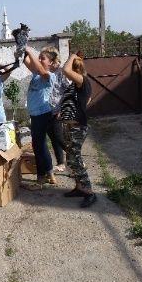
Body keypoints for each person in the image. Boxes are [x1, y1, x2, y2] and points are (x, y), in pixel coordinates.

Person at [61, 53, 96, 207]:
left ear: (75, 70)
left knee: (75, 159)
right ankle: (79, 187)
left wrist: (72, 55)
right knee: (70, 159)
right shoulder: (77, 85)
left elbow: (65, 70)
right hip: (70, 125)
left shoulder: (82, 80)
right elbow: (87, 99)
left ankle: (89, 191)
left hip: (78, 127)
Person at [22, 46, 58, 187]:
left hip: (42, 114)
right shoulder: (36, 74)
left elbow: (41, 70)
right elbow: (27, 62)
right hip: (36, 114)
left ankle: (40, 179)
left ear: (50, 63)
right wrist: (21, 50)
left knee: (38, 147)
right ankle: (50, 174)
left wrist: (31, 51)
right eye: (39, 58)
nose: (39, 60)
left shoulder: (49, 75)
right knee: (41, 145)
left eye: (42, 58)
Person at [46, 46, 71, 173]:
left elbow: (69, 91)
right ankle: (61, 163)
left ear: (54, 59)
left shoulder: (61, 72)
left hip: (58, 111)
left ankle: (76, 160)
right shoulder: (49, 72)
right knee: (53, 137)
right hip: (48, 110)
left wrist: (62, 109)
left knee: (59, 137)